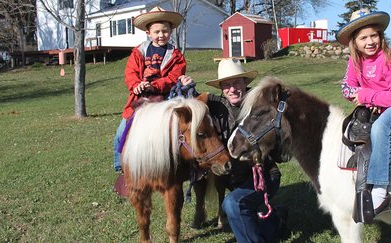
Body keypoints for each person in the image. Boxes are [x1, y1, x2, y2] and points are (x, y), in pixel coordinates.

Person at [336, 9, 391, 218]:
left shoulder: (388, 59)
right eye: (363, 37)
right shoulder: (355, 62)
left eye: (374, 35)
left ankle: (380, 190)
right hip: (382, 105)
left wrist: (368, 96)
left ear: (381, 36)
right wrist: (369, 97)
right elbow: (346, 89)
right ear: (354, 42)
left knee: (380, 128)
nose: (370, 41)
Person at [200, 58, 286, 242]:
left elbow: (282, 152)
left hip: (265, 175)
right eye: (226, 85)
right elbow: (192, 106)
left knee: (233, 203)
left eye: (237, 82)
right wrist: (187, 88)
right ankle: (276, 217)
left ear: (245, 82)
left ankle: (268, 217)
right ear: (221, 88)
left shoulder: (262, 105)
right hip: (234, 179)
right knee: (262, 227)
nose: (232, 89)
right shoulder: (215, 106)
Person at [112, 7, 193, 189]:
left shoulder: (176, 56)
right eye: (157, 31)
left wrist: (154, 85)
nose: (161, 35)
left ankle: (180, 167)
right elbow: (130, 73)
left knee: (177, 134)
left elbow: (173, 78)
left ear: (171, 31)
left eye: (165, 31)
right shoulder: (138, 53)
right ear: (148, 33)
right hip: (140, 101)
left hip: (164, 100)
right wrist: (137, 85)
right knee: (120, 134)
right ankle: (122, 168)